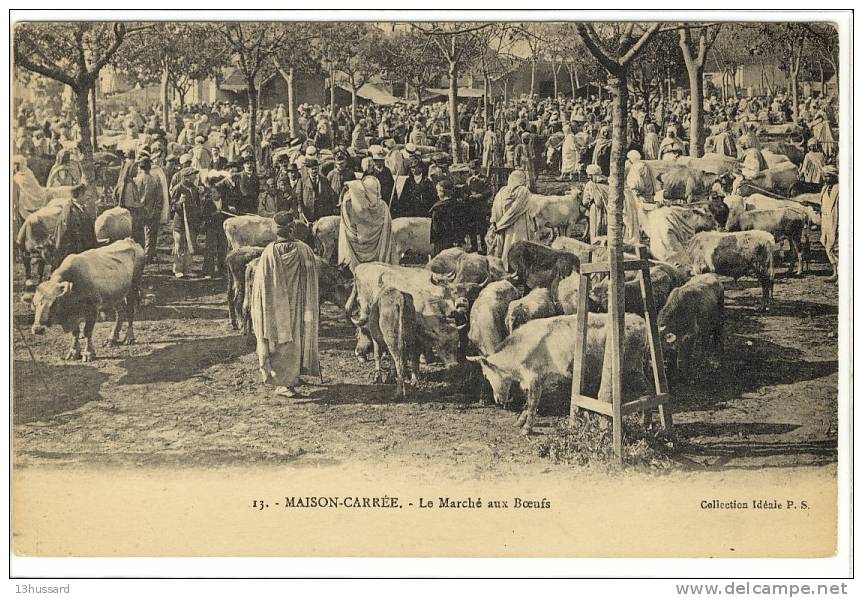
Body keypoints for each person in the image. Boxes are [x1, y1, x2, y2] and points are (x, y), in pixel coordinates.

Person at [250, 211, 320, 398]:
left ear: (275, 230)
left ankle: (290, 377)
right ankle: (284, 383)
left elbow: (261, 287)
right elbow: (311, 279)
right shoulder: (304, 250)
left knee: (281, 340)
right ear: (292, 229)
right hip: (299, 305)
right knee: (295, 339)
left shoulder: (268, 253)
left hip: (276, 306)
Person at [338, 175, 396, 272]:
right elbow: (387, 231)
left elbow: (347, 223)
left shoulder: (353, 205)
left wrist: (349, 193)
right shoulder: (383, 206)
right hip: (378, 253)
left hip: (356, 247)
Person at [487, 169, 536, 270]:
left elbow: (495, 210)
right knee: (518, 246)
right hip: (519, 224)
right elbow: (515, 210)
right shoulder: (523, 191)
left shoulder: (501, 192)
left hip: (503, 226)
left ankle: (506, 267)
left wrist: (497, 223)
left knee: (506, 247)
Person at [169, 167, 200, 279]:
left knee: (190, 245)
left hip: (191, 222)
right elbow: (172, 207)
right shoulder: (178, 188)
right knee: (179, 245)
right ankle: (178, 269)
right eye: (193, 175)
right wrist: (179, 202)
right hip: (180, 223)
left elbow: (197, 204)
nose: (195, 177)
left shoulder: (195, 189)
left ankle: (188, 269)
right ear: (186, 177)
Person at [134, 155, 163, 262]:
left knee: (140, 234)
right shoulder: (155, 180)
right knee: (151, 235)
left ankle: (142, 256)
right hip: (152, 210)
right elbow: (160, 198)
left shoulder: (137, 180)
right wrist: (157, 210)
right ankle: (148, 256)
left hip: (139, 210)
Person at [429, 178, 465, 256]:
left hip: (442, 243)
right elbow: (462, 225)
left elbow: (436, 229)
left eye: (438, 192)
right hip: (456, 242)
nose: (437, 194)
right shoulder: (458, 205)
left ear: (442, 192)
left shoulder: (438, 208)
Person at [297, 157, 338, 222]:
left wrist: (333, 207)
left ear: (318, 168)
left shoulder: (324, 180)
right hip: (308, 212)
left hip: (322, 212)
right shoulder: (302, 181)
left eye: (316, 168)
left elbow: (330, 195)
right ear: (308, 170)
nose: (314, 171)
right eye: (312, 169)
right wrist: (300, 207)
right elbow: (298, 197)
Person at [820, 165, 839, 283]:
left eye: (828, 176)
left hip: (836, 221)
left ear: (834, 177)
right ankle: (835, 272)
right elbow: (823, 205)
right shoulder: (824, 189)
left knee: (838, 249)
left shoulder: (840, 189)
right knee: (828, 247)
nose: (825, 178)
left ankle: (843, 276)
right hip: (826, 222)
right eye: (824, 176)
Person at [582, 164, 608, 242]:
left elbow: (585, 201)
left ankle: (595, 242)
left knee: (595, 226)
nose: (588, 177)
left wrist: (589, 202)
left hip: (595, 208)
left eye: (590, 175)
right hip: (606, 209)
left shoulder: (590, 184)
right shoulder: (608, 183)